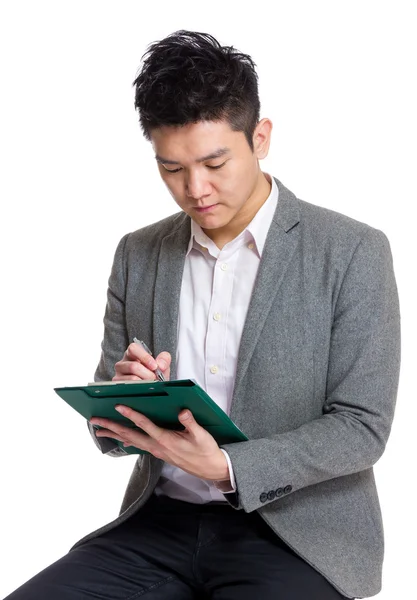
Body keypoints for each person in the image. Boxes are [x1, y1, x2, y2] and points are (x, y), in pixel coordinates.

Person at [5, 30, 401, 600]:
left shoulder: (352, 251)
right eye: (171, 169)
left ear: (260, 137)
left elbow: (362, 427)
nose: (196, 189)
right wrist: (124, 399)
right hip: (156, 527)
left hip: (295, 536)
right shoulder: (138, 254)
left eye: (215, 162)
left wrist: (229, 468)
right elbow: (107, 435)